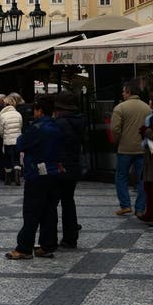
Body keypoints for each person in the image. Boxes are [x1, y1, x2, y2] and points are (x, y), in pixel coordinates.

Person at [5, 95, 63, 260]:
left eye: (35, 110)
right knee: (49, 211)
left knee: (31, 211)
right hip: (54, 172)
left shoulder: (37, 128)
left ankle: (24, 248)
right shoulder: (57, 127)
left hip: (37, 173)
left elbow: (20, 144)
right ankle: (47, 245)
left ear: (39, 110)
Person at [111, 79, 151, 217]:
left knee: (121, 176)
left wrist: (117, 141)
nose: (122, 93)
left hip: (125, 149)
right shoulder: (147, 107)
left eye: (123, 91)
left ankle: (125, 205)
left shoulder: (120, 108)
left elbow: (115, 129)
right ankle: (140, 208)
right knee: (142, 179)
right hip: (142, 149)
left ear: (128, 91)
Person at [53, 91, 86, 249]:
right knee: (68, 201)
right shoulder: (79, 120)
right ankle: (71, 236)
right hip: (73, 165)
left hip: (60, 166)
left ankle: (51, 238)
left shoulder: (60, 123)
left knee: (52, 203)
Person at [0, 95, 23, 186]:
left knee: (7, 158)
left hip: (7, 140)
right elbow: (20, 126)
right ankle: (17, 172)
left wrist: (3, 136)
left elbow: (1, 130)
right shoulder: (18, 114)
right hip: (17, 140)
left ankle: (8, 178)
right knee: (16, 158)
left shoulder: (2, 115)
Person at [139, 91, 153, 224]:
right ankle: (149, 212)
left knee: (150, 186)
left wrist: (146, 131)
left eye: (150, 100)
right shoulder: (151, 115)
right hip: (151, 153)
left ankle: (150, 213)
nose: (149, 103)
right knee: (148, 185)